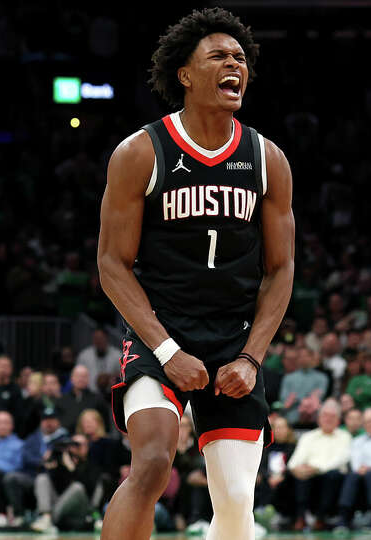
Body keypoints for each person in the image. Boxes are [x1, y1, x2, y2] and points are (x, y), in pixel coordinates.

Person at [97, 8, 294, 540]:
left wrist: (252, 357)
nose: (235, 65)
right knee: (154, 463)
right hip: (160, 332)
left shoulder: (266, 158)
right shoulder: (140, 152)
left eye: (240, 58)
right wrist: (167, 351)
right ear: (185, 74)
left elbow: (281, 269)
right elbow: (112, 265)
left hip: (233, 339)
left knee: (234, 506)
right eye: (219, 57)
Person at [286, 399, 351, 530]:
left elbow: (340, 460)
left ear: (338, 420)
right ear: (319, 418)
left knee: (332, 475)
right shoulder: (308, 437)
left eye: (332, 416)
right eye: (325, 415)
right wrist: (296, 469)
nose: (328, 419)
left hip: (331, 476)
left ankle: (321, 518)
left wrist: (316, 468)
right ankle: (300, 517)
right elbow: (294, 461)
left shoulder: (345, 436)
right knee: (298, 475)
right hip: (308, 476)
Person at [3, 407, 68, 526]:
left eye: (52, 419)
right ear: (41, 421)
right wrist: (43, 462)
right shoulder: (33, 438)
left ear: (58, 421)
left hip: (54, 480)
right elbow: (26, 458)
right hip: (33, 476)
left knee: (43, 479)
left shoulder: (65, 439)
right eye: (45, 419)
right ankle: (19, 516)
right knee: (11, 477)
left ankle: (45, 517)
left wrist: (52, 461)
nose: (48, 422)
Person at [30, 434, 103, 533]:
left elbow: (88, 489)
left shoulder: (91, 465)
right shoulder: (61, 461)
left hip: (81, 508)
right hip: (60, 503)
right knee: (42, 478)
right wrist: (46, 462)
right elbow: (44, 478)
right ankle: (45, 516)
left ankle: (49, 520)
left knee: (77, 487)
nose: (75, 448)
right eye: (73, 444)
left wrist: (72, 468)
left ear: (87, 447)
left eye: (79, 445)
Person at [56, 365, 107, 432]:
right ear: (71, 378)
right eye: (78, 376)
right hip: (67, 439)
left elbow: (105, 423)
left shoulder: (97, 399)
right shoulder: (61, 400)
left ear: (88, 379)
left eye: (84, 376)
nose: (81, 379)